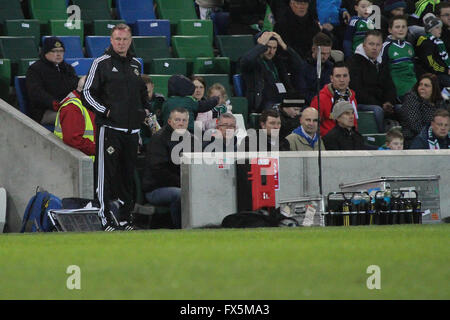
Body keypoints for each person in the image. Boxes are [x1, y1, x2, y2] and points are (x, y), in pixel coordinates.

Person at [82, 23, 148, 231]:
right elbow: (87, 94)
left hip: (132, 131)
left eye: (125, 39)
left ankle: (125, 219)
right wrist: (106, 112)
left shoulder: (136, 64)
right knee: (105, 176)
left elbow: (142, 94)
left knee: (127, 178)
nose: (121, 43)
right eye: (117, 39)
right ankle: (104, 219)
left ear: (130, 41)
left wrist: (143, 111)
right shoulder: (100, 63)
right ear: (111, 41)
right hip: (109, 130)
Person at [142, 108, 191, 229]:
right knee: (181, 194)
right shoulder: (159, 139)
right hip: (156, 189)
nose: (181, 123)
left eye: (184, 120)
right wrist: (183, 183)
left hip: (182, 184)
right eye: (177, 120)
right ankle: (181, 228)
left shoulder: (191, 139)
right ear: (169, 121)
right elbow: (158, 171)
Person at [348, 30, 398, 133]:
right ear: (364, 45)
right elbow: (357, 90)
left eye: (378, 44)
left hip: (381, 103)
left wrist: (389, 102)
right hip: (362, 103)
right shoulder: (354, 62)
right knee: (377, 111)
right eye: (371, 44)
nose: (374, 48)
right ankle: (382, 140)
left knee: (401, 108)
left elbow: (390, 86)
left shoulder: (381, 63)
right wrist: (380, 105)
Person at [240, 31, 302, 112]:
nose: (271, 52)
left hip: (284, 99)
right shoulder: (253, 63)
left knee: (306, 109)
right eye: (268, 47)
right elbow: (246, 60)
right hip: (264, 103)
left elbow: (300, 65)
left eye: (274, 48)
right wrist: (261, 45)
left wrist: (284, 46)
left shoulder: (278, 61)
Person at [26, 37, 78, 125]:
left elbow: (75, 86)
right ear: (45, 52)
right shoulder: (35, 69)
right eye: (54, 51)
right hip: (45, 112)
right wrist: (54, 103)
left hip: (68, 107)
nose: (58, 54)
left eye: (61, 51)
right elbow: (36, 93)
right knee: (75, 117)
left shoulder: (68, 69)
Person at [310, 61, 358, 137]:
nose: (342, 80)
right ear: (331, 78)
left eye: (345, 76)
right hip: (329, 142)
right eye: (338, 76)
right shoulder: (320, 99)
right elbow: (313, 125)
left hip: (349, 139)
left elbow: (354, 124)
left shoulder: (352, 97)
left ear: (349, 78)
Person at [54, 76, 96, 161]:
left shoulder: (88, 104)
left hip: (90, 161)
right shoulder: (72, 108)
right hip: (78, 164)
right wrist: (99, 149)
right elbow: (73, 139)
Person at [400, 73, 448, 147]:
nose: (422, 87)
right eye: (420, 84)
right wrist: (431, 136)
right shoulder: (412, 98)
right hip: (416, 139)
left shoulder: (440, 101)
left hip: (439, 139)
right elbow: (415, 125)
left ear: (434, 88)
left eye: (426, 86)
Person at [382, 15, 417, 100]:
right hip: (398, 89)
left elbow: (414, 68)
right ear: (390, 30)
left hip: (415, 85)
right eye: (397, 27)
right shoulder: (385, 47)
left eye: (403, 27)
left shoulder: (409, 46)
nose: (401, 29)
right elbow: (383, 72)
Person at [295, 32, 334, 105]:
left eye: (328, 53)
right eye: (322, 53)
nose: (325, 57)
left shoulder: (331, 67)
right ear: (313, 49)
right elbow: (303, 92)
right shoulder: (303, 67)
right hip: (310, 104)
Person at [415, 12, 450, 88]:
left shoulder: (439, 42)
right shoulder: (426, 43)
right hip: (435, 74)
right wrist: (446, 71)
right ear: (430, 29)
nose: (440, 30)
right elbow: (431, 63)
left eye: (440, 27)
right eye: (437, 28)